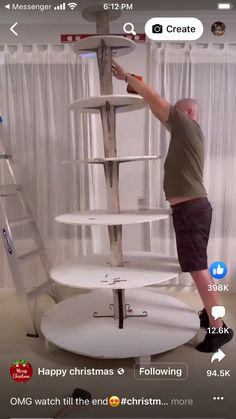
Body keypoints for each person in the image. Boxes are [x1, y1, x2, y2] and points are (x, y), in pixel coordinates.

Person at [112, 60, 233, 352]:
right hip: (191, 209)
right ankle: (209, 312)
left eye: (175, 115)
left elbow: (157, 101)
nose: (169, 120)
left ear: (187, 113)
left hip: (191, 210)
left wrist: (129, 76)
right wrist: (139, 90)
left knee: (198, 269)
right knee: (197, 266)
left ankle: (220, 328)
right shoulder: (186, 133)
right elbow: (158, 110)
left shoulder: (188, 126)